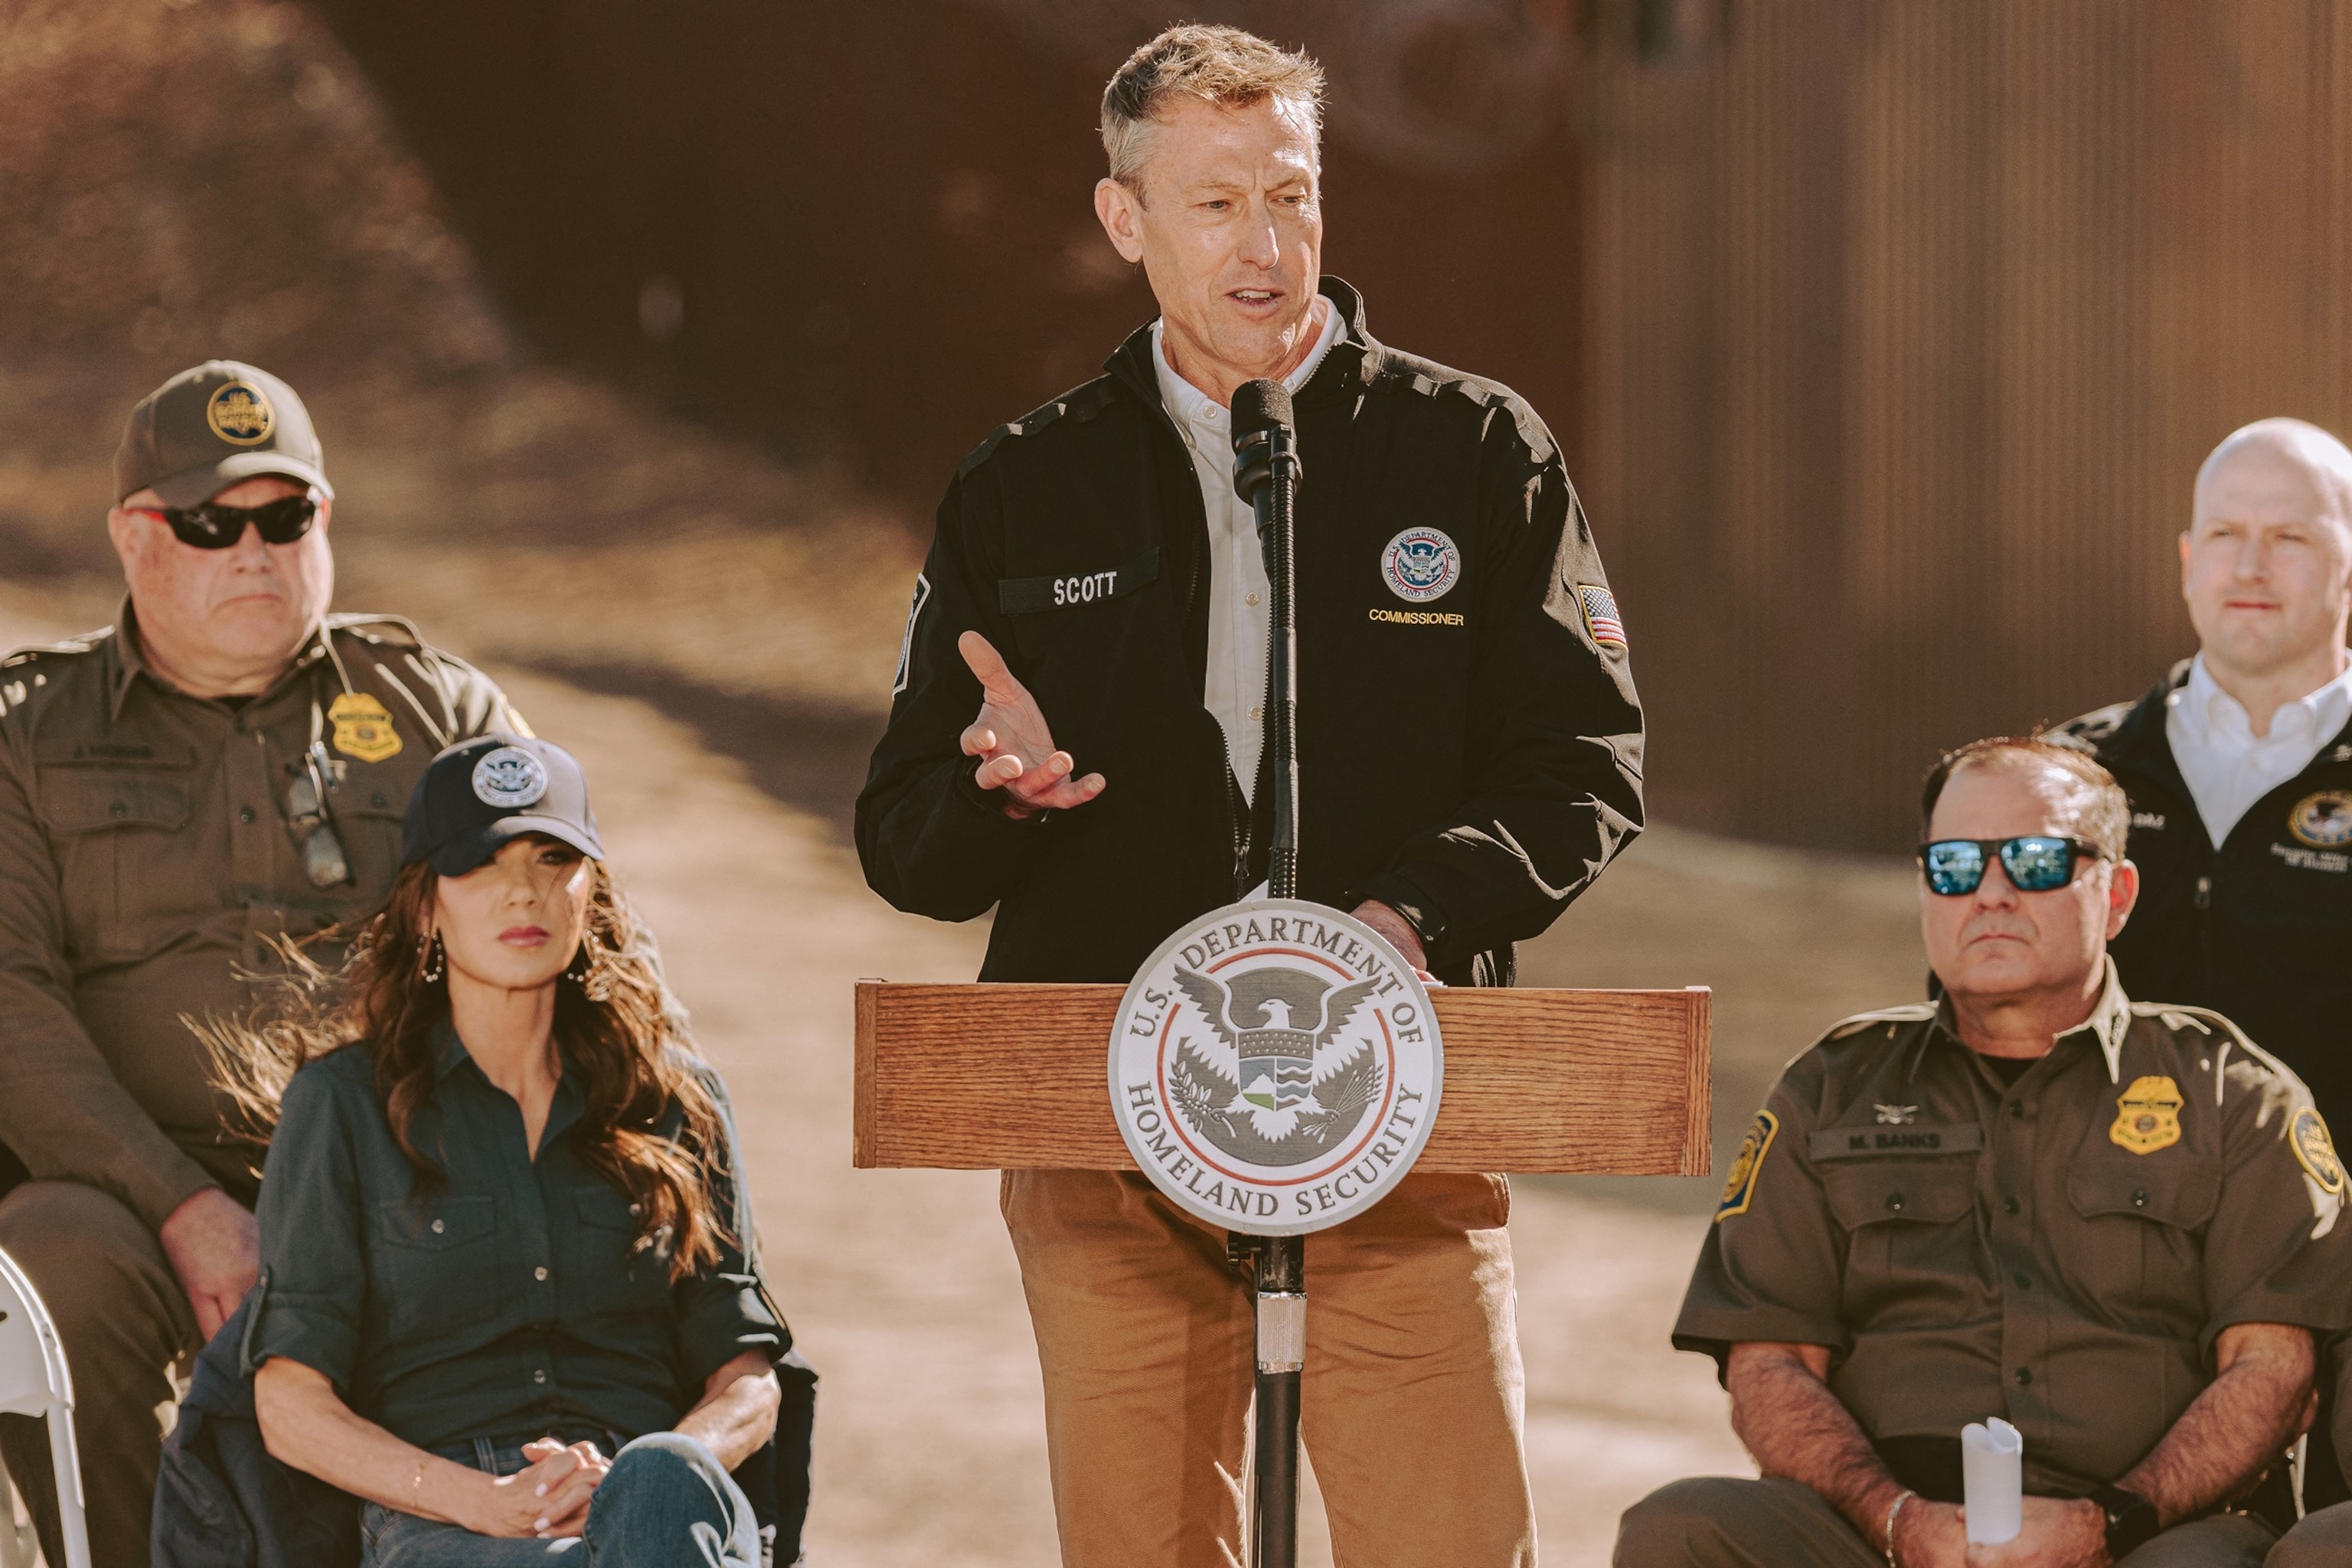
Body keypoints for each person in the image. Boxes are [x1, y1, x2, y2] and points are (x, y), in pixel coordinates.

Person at [857, 24, 1643, 1566]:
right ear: (1123, 219)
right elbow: (905, 843)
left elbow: (1582, 760)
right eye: (1215, 204)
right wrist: (991, 791)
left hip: (1389, 1095)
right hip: (1104, 1124)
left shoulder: (1471, 447)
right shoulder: (1026, 484)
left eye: (1291, 195)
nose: (1264, 245)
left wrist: (1412, 912)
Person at [0, 361, 529, 1564]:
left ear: (322, 523)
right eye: (210, 523)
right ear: (135, 537)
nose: (253, 552)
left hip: (401, 1175)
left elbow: (585, 945)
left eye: (283, 517)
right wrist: (180, 1204)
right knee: (54, 1265)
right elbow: (8, 1000)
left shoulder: (440, 715)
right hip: (135, 1195)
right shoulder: (26, 735)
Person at [1615, 737, 2345, 1568]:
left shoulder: (2233, 1093)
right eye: (1955, 865)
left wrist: (2106, 1523)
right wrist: (1896, 1520)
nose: (1991, 892)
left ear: (2116, 895)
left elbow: (2274, 1369)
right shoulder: (1830, 1088)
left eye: (2035, 861)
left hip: (2152, 1531)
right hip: (1881, 1531)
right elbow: (1770, 1363)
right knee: (1684, 1527)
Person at [239, 734, 787, 1564]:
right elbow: (288, 1404)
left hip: (658, 1503)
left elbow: (748, 1381)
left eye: (553, 858)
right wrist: (486, 1501)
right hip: (450, 1515)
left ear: (589, 893)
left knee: (660, 1505)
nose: (523, 890)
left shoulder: (679, 1101)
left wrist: (653, 1473)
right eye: (479, 863)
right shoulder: (341, 1104)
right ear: (424, 908)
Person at [2055, 418, 2352, 1135]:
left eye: (2289, 537)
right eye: (2225, 534)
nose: (2251, 566)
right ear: (2189, 561)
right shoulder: (2069, 778)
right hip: (2096, 1200)